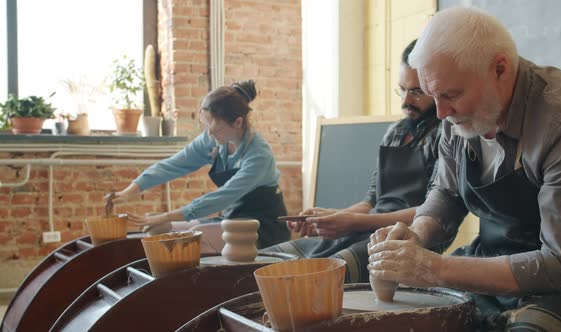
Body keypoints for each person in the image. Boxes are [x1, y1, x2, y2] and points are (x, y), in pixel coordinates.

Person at [368, 7, 561, 331]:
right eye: (434, 96)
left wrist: (435, 268)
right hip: (491, 257)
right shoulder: (456, 112)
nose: (441, 113)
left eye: (450, 95)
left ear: (499, 69)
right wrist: (416, 235)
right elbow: (445, 192)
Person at [264, 40, 442, 282]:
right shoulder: (395, 132)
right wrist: (330, 218)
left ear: (437, 88)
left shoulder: (444, 136)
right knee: (267, 261)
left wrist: (354, 222)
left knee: (317, 278)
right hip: (365, 230)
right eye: (402, 89)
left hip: (405, 240)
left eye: (416, 92)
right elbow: (371, 201)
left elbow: (433, 212)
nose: (405, 101)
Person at [106, 80, 290, 248]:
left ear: (238, 122)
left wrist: (167, 215)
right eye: (206, 126)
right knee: (160, 230)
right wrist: (130, 190)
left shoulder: (259, 154)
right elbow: (173, 165)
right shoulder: (215, 139)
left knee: (186, 241)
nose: (209, 134)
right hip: (232, 218)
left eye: (214, 127)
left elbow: (222, 197)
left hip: (263, 226)